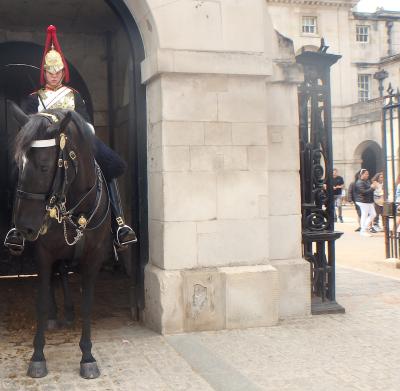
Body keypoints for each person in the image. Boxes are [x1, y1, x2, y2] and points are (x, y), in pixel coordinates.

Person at [4, 25, 137, 255]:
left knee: (109, 164)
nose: (54, 76)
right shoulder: (33, 99)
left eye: (57, 72)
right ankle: (16, 230)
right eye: (49, 72)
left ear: (63, 72)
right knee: (20, 169)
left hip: (76, 143)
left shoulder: (74, 96)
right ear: (43, 72)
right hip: (44, 146)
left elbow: (87, 124)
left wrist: (74, 128)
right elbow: (26, 126)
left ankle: (119, 224)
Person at [354, 168, 377, 237]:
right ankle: (363, 230)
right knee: (364, 215)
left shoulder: (367, 181)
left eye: (368, 174)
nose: (368, 175)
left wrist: (373, 187)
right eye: (366, 174)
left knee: (373, 214)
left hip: (368, 201)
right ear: (362, 174)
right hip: (362, 201)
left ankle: (364, 228)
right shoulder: (359, 182)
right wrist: (372, 188)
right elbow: (364, 192)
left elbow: (369, 190)